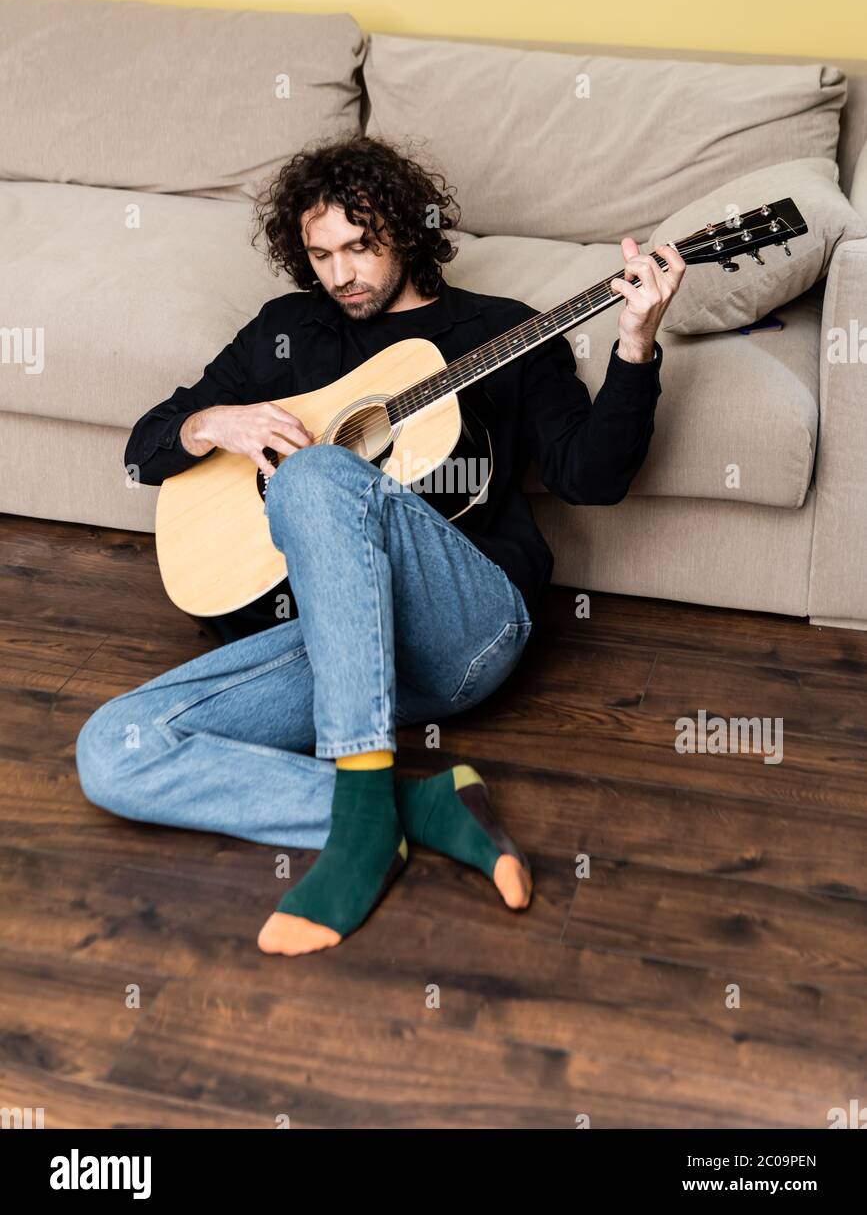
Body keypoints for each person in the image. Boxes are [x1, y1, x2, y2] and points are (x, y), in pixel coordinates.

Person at [75, 135, 685, 958]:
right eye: (321, 254)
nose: (340, 274)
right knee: (113, 750)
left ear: (407, 229)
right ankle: (415, 807)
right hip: (331, 644)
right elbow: (146, 447)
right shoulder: (286, 333)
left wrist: (636, 341)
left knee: (318, 472)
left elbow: (592, 477)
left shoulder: (498, 331)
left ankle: (359, 839)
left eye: (360, 246)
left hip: (458, 630)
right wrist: (214, 423)